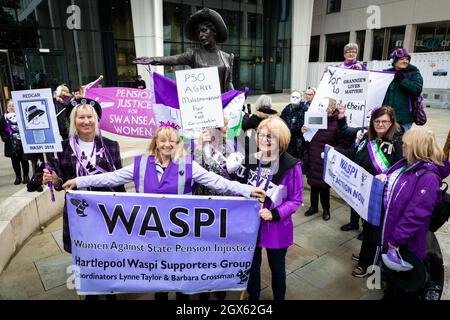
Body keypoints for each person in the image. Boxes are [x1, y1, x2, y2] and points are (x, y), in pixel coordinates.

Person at [61, 124, 265, 300]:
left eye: (172, 141)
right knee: (156, 280)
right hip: (150, 238)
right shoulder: (140, 165)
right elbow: (110, 178)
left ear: (178, 143)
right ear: (155, 142)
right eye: (162, 140)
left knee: (180, 280)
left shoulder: (188, 165)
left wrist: (247, 190)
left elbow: (218, 182)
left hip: (180, 239)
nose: (167, 145)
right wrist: (79, 181)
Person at [376, 129, 450, 299]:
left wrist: (395, 242)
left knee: (404, 286)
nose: (402, 146)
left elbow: (415, 215)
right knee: (392, 281)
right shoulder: (405, 164)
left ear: (417, 148)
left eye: (405, 145)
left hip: (404, 243)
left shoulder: (428, 178)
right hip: (392, 233)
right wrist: (384, 179)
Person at [237, 117, 302, 300]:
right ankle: (253, 296)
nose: (264, 139)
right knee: (252, 265)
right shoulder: (249, 160)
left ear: (280, 139)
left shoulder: (290, 165)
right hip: (250, 225)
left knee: (278, 269)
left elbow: (296, 200)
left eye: (270, 136)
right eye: (261, 135)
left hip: (276, 226)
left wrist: (274, 214)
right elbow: (237, 189)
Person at [334, 106, 404, 278]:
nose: (380, 124)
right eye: (377, 121)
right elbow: (354, 153)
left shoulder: (398, 142)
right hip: (366, 191)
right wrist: (334, 151)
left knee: (375, 230)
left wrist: (386, 177)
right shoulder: (367, 137)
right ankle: (366, 254)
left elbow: (401, 169)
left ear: (391, 122)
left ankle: (368, 265)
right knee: (368, 227)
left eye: (384, 121)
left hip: (382, 195)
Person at [133, 8, 234, 93]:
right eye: (198, 32)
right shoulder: (194, 54)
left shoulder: (227, 57)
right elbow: (175, 59)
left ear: (214, 31)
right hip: (201, 104)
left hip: (222, 103)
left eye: (204, 30)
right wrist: (153, 59)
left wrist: (236, 99)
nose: (200, 35)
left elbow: (228, 82)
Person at [301, 98, 347, 221]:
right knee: (313, 185)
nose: (321, 109)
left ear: (331, 109)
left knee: (324, 187)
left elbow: (343, 143)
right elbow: (307, 138)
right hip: (313, 157)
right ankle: (313, 207)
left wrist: (334, 149)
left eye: (324, 107)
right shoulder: (315, 119)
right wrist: (304, 131)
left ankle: (326, 209)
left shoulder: (337, 124)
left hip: (326, 159)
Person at [383, 48, 423, 133]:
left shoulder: (413, 73)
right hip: (386, 116)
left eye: (407, 59)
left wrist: (402, 80)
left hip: (404, 118)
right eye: (401, 59)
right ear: (394, 60)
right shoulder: (386, 73)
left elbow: (417, 89)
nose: (405, 61)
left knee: (401, 142)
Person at [0, 99, 29, 185]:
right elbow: (1, 130)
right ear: (7, 107)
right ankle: (18, 177)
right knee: (15, 161)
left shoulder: (21, 116)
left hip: (22, 142)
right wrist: (5, 138)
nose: (11, 107)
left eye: (13, 106)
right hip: (11, 143)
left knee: (24, 160)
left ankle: (26, 176)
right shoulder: (4, 118)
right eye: (9, 106)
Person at [280, 89, 311, 159]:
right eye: (293, 97)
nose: (294, 99)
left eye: (297, 97)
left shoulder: (304, 110)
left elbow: (298, 126)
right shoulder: (287, 108)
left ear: (301, 99)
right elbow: (281, 120)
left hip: (298, 141)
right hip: (287, 139)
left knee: (296, 159)